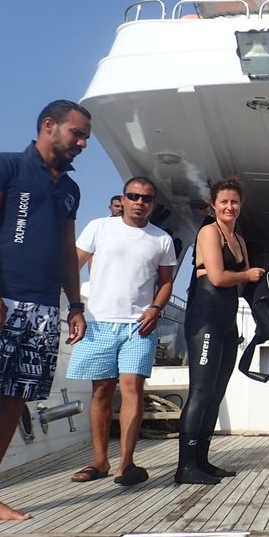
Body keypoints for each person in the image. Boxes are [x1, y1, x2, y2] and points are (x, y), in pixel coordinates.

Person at [0, 100, 90, 522]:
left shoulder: (70, 189)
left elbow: (67, 252)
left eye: (86, 137)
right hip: (1, 299)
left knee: (16, 398)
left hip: (45, 309)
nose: (83, 144)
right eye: (77, 134)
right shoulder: (4, 165)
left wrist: (75, 305)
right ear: (49, 126)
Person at [67, 177, 176, 487]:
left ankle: (126, 463)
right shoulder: (98, 227)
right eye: (134, 196)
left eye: (146, 198)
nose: (140, 202)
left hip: (139, 326)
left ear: (153, 204)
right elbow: (72, 267)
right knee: (101, 391)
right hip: (98, 322)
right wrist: (75, 307)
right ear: (124, 199)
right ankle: (100, 461)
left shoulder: (161, 239)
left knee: (132, 389)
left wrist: (155, 308)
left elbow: (166, 282)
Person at [175, 178, 265, 485]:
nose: (229, 207)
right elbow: (216, 276)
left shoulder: (238, 238)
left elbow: (247, 282)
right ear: (214, 205)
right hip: (205, 318)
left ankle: (202, 460)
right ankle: (185, 465)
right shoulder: (209, 232)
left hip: (227, 320)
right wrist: (247, 274)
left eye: (234, 201)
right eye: (224, 201)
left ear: (241, 205)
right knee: (200, 392)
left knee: (216, 394)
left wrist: (262, 303)